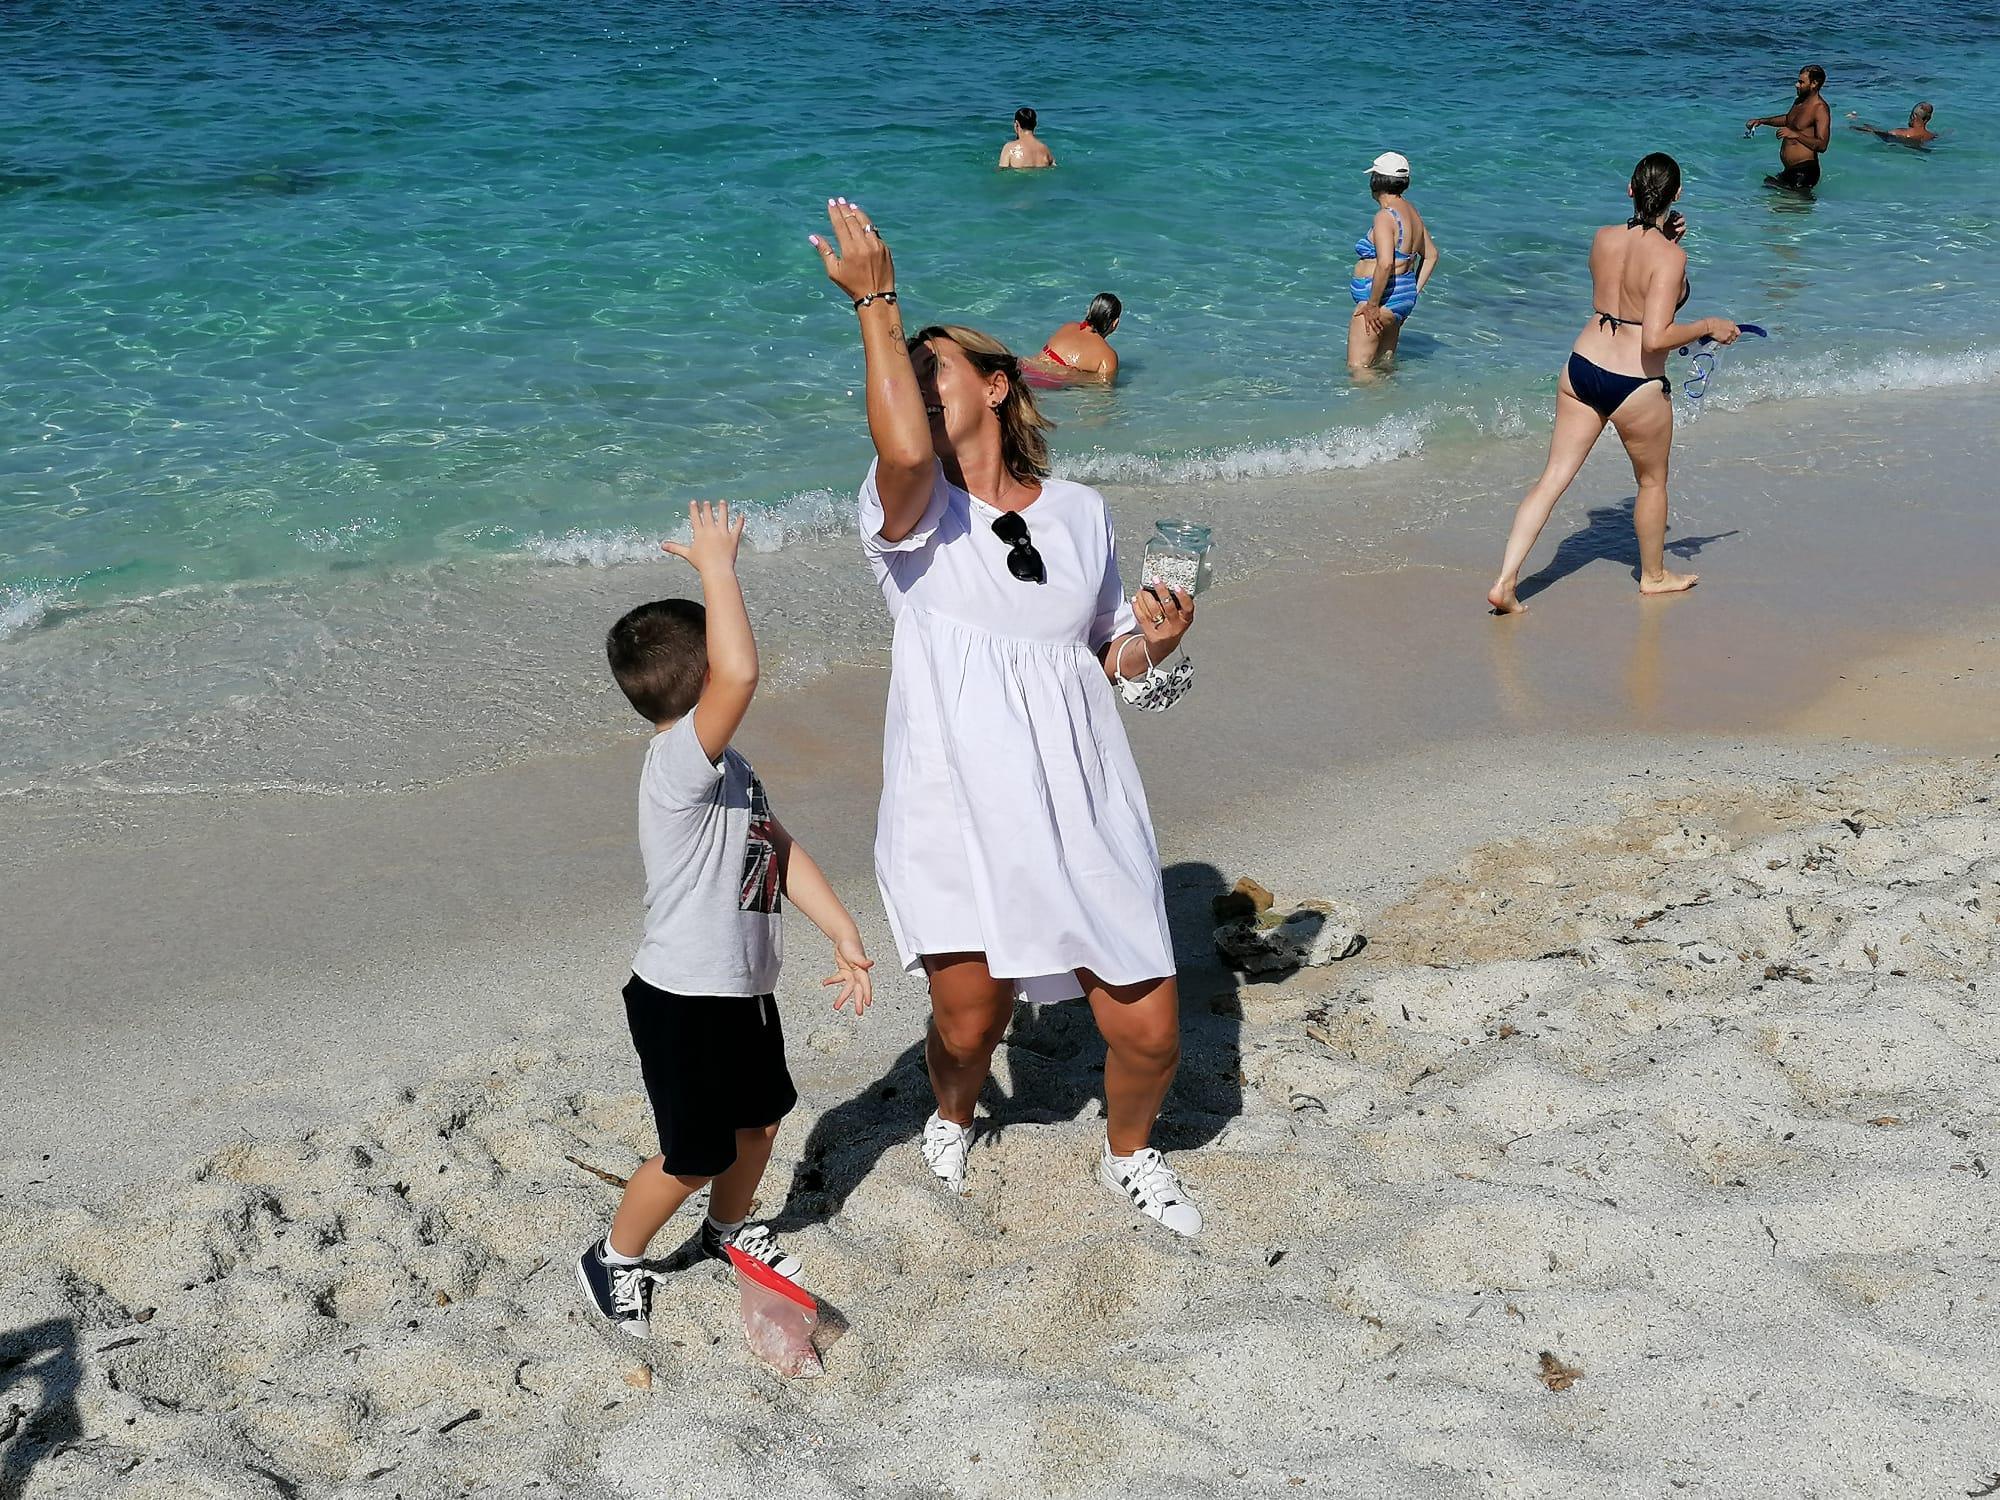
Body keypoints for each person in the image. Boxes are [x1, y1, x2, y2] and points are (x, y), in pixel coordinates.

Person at [808, 196, 1206, 1237]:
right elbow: (903, 449)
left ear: (994, 385)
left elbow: (1106, 654)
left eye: (931, 372)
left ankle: (1129, 1154)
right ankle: (950, 1115)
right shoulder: (906, 514)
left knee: (1151, 1030)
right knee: (967, 1022)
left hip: (1081, 794)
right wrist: (877, 309)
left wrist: (1157, 643)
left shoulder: (1081, 513)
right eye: (903, 381)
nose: (911, 392)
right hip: (956, 798)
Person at [577, 499, 875, 1337]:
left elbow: (773, 846)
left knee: (762, 1121)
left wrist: (841, 929)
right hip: (681, 1000)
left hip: (743, 990)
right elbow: (741, 675)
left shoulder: (727, 769)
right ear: (708, 675)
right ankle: (614, 1257)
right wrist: (718, 569)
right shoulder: (678, 764)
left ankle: (726, 1230)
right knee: (694, 1154)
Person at [1486, 154, 1741, 615]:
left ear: (1630, 189)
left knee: (1551, 480)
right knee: (1652, 482)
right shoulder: (1671, 257)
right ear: (1677, 194)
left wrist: (1665, 243)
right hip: (1634, 382)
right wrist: (1709, 325)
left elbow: (1623, 293)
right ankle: (1654, 577)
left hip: (1582, 366)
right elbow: (1656, 334)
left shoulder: (1603, 237)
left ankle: (1505, 581)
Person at [1348, 151, 1439, 376]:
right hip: (1401, 298)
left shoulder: (1385, 217)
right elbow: (1431, 256)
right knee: (1383, 369)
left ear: (1376, 181)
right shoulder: (1411, 212)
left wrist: (1372, 305)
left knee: (1359, 371)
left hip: (1381, 300)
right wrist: (1412, 293)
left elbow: (1385, 264)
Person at [1748, 66, 1831, 193]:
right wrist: (1761, 121)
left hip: (1805, 172)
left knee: (1788, 204)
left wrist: (1796, 135)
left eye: (1801, 82)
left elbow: (1822, 145)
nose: (1796, 85)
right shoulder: (1800, 101)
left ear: (1814, 84)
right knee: (1768, 190)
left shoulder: (1820, 109)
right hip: (1790, 170)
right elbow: (1789, 119)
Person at [1025, 292, 1122, 383]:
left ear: (1089, 311)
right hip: (1048, 383)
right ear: (1115, 323)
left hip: (1026, 368)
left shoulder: (1068, 326)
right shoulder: (1108, 356)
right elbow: (1103, 391)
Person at [1848, 102, 1936, 147]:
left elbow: (1875, 131)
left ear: (1914, 116)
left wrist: (1854, 125)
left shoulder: (1899, 132)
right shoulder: (1932, 136)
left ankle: (1854, 119)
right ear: (1929, 119)